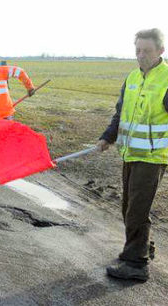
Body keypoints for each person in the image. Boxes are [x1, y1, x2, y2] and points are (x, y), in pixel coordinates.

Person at [97, 28, 168, 281]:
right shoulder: (132, 78)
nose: (141, 56)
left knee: (137, 210)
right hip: (129, 153)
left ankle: (136, 265)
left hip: (153, 157)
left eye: (146, 51)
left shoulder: (167, 79)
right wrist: (108, 137)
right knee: (129, 207)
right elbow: (120, 113)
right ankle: (141, 248)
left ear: (160, 50)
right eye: (137, 50)